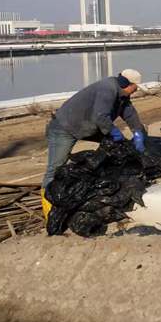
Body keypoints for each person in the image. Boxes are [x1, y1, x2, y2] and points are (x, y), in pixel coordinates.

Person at [41, 68, 146, 220]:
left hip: (87, 127)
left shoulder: (122, 95)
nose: (136, 91)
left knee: (117, 148)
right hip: (65, 128)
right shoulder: (107, 89)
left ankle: (105, 179)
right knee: (55, 168)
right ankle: (49, 211)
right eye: (135, 87)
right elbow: (100, 117)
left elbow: (130, 114)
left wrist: (138, 133)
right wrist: (116, 133)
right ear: (127, 84)